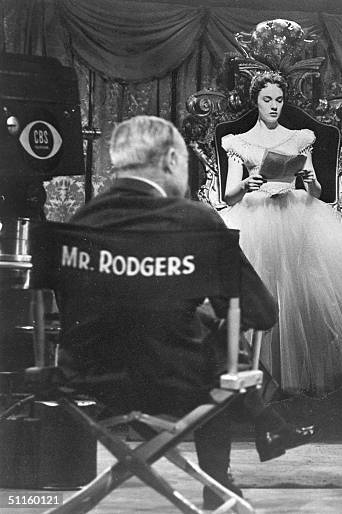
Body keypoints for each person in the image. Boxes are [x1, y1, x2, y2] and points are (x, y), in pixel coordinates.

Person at [59, 115, 315, 509]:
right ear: (172, 160)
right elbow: (262, 311)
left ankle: (226, 478)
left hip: (86, 380)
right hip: (175, 380)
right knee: (218, 355)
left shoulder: (80, 223)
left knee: (204, 335)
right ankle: (221, 484)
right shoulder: (196, 221)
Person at [220, 71, 342, 396]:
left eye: (279, 100)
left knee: (305, 293)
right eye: (267, 99)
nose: (274, 106)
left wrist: (309, 179)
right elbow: (228, 196)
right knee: (265, 289)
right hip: (257, 217)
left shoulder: (300, 137)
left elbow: (316, 192)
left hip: (297, 215)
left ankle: (303, 384)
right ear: (255, 100)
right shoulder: (238, 142)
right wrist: (248, 183)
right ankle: (259, 381)